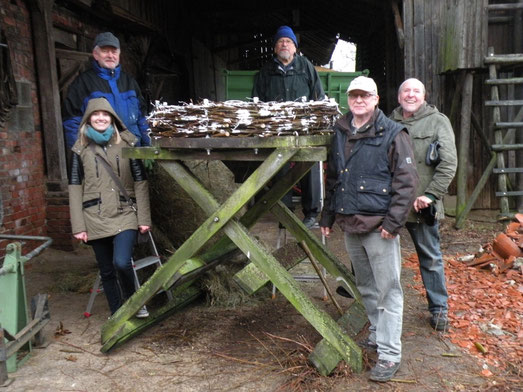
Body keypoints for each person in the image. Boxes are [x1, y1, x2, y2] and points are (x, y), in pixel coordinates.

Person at [319, 76, 418, 382]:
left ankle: (389, 355)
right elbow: (333, 178)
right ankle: (376, 334)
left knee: (389, 291)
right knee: (366, 288)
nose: (359, 100)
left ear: (376, 99)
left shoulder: (393, 133)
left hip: (379, 228)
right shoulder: (339, 130)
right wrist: (327, 217)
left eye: (365, 96)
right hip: (351, 224)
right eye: (354, 96)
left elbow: (407, 182)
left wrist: (392, 223)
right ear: (348, 99)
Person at [68, 97, 151, 318]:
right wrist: (78, 225)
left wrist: (144, 218)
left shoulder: (128, 143)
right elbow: (75, 187)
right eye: (96, 114)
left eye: (105, 114)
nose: (101, 118)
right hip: (94, 216)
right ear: (89, 119)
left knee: (121, 262)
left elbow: (141, 182)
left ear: (112, 118)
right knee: (106, 271)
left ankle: (135, 302)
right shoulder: (79, 149)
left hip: (125, 214)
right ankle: (117, 312)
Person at [391, 78, 458, 331]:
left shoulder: (437, 121)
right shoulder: (389, 122)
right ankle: (380, 310)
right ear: (399, 97)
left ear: (423, 95)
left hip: (421, 205)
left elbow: (448, 164)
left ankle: (439, 309)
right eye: (405, 91)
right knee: (383, 259)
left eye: (416, 91)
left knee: (430, 258)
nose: (410, 95)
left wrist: (431, 195)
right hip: (393, 205)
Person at [252, 25, 325, 228]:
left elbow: (319, 97)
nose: (284, 44)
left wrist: (314, 123)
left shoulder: (306, 67)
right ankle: (286, 216)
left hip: (304, 129)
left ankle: (311, 215)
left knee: (308, 166)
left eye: (288, 41)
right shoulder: (266, 72)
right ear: (275, 48)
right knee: (279, 169)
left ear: (295, 48)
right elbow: (256, 103)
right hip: (277, 131)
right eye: (280, 41)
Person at [63, 32, 151, 149]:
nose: (110, 55)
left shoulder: (130, 82)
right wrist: (79, 153)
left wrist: (148, 146)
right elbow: (72, 121)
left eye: (114, 52)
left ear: (119, 55)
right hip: (101, 155)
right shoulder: (83, 83)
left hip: (133, 150)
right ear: (95, 54)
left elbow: (142, 118)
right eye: (105, 51)